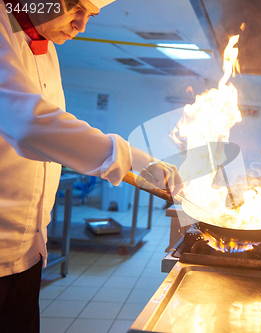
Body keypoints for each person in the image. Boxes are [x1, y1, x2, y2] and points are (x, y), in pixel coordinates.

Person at [0, 1, 183, 332]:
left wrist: (138, 170)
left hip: (27, 251)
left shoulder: (46, 49)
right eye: (74, 7)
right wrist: (142, 162)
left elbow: (57, 133)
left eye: (91, 15)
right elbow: (29, 124)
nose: (81, 25)